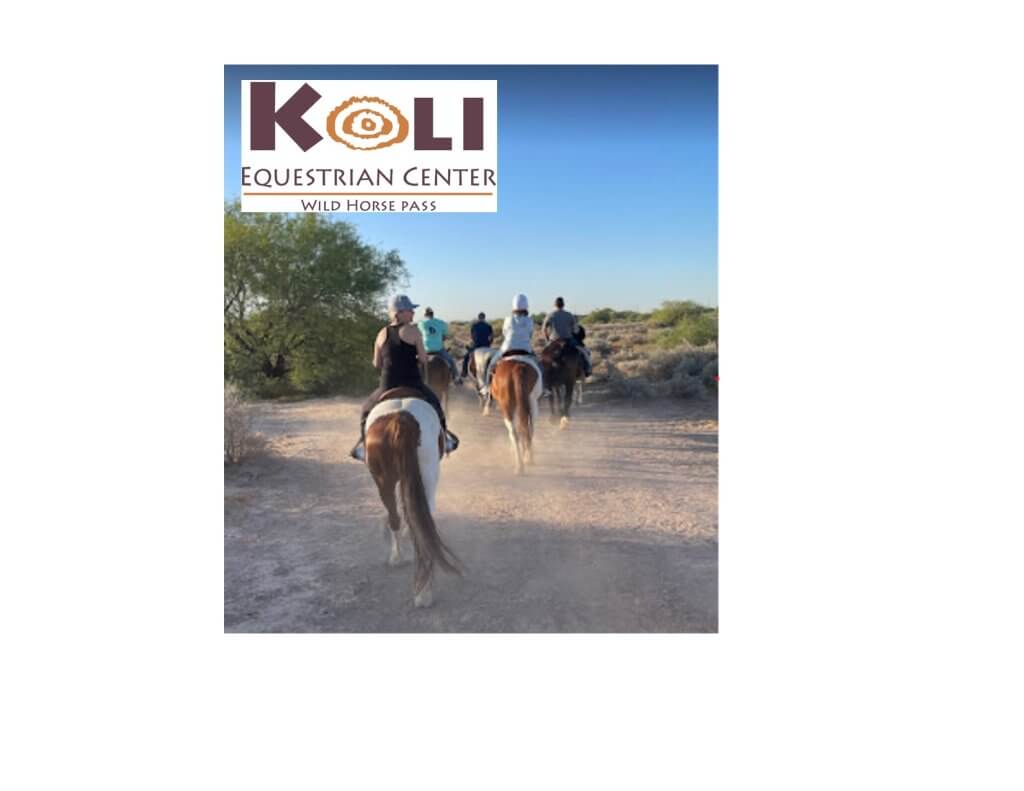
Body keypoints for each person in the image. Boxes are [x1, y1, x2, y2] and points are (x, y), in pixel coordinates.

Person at [349, 295, 459, 461]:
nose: (413, 313)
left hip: (388, 384)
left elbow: (376, 363)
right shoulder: (413, 331)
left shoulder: (381, 333)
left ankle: (363, 444)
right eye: (410, 310)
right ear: (398, 313)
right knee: (436, 404)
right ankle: (446, 439)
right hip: (412, 382)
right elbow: (424, 359)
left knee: (366, 409)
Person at [482, 293, 539, 394]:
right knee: (539, 365)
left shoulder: (508, 319)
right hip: (525, 349)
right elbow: (530, 334)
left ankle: (486, 387)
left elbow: (504, 333)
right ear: (526, 306)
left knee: (491, 365)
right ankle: (545, 388)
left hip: (507, 349)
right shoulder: (529, 320)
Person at [541, 296, 592, 377]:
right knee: (585, 351)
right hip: (568, 340)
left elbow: (543, 330)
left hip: (553, 341)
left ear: (555, 305)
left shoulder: (549, 315)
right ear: (563, 305)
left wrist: (547, 340)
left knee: (543, 356)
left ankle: (542, 374)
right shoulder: (569, 315)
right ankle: (587, 369)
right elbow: (576, 330)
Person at [417, 307, 461, 384]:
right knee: (451, 361)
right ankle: (456, 378)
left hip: (425, 350)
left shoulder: (421, 323)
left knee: (412, 363)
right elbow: (444, 336)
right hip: (438, 349)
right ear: (433, 314)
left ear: (425, 315)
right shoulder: (441, 323)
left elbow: (419, 335)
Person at [461, 311, 494, 378]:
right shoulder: (488, 326)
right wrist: (489, 344)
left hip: (476, 346)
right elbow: (491, 337)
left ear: (478, 318)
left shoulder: (474, 326)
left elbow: (472, 336)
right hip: (486, 346)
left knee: (466, 357)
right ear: (484, 318)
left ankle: (464, 372)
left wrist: (474, 342)